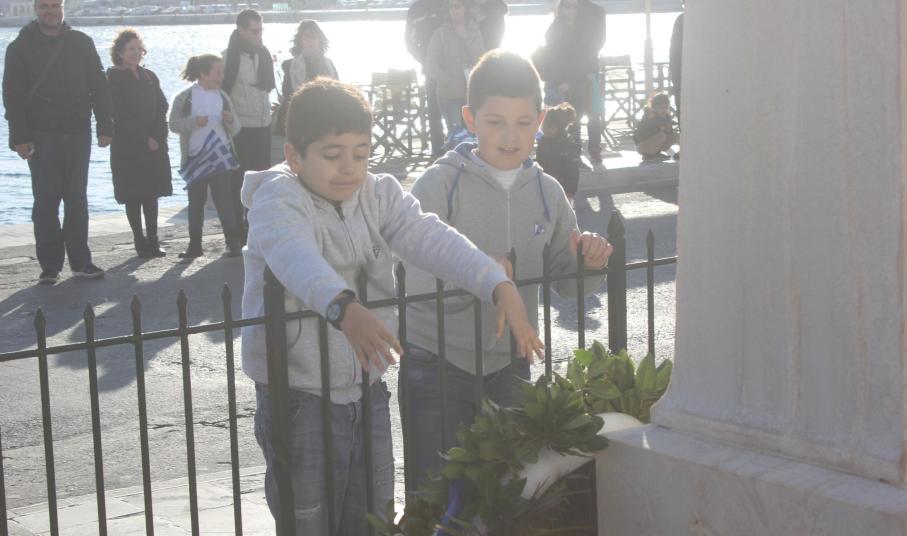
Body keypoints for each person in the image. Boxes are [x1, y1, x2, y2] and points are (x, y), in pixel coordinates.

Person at [240, 78, 543, 534]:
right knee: (309, 520)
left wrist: (496, 283)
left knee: (374, 516)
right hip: (299, 395)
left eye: (361, 153)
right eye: (332, 154)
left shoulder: (378, 193)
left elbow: (430, 236)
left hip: (367, 387)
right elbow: (293, 255)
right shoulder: (276, 197)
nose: (349, 168)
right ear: (294, 156)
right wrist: (344, 308)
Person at [400, 50, 614, 495]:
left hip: (510, 365)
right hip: (437, 363)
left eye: (523, 122)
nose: (511, 136)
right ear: (470, 118)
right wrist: (484, 276)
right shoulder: (438, 185)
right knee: (434, 495)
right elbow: (410, 278)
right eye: (495, 122)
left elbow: (565, 282)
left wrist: (588, 264)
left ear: (541, 120)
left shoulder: (549, 192)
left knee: (507, 496)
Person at [2, 0, 111, 284]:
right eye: (44, 6)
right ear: (36, 9)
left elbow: (99, 85)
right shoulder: (20, 47)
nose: (50, 11)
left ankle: (81, 262)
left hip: (78, 130)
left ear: (63, 7)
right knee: (46, 200)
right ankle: (50, 266)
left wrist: (105, 125)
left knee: (77, 199)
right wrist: (19, 137)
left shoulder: (81, 42)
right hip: (41, 133)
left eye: (54, 5)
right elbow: (12, 95)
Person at [169, 54, 242, 259]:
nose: (221, 76)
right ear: (203, 73)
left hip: (220, 157)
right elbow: (173, 124)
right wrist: (193, 122)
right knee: (195, 204)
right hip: (195, 158)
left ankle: (232, 244)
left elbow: (236, 129)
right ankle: (195, 246)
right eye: (217, 72)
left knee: (224, 201)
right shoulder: (185, 97)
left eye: (222, 72)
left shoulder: (223, 96)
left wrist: (230, 120)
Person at [107, 29, 172, 258]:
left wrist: (157, 135)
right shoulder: (113, 78)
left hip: (153, 143)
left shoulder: (149, 76)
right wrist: (144, 138)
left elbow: (162, 107)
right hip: (128, 146)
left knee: (151, 193)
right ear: (120, 52)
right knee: (132, 194)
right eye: (130, 49)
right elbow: (119, 114)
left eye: (138, 49)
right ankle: (139, 240)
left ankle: (153, 240)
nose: (135, 53)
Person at [222, 9, 275, 244]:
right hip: (240, 127)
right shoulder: (228, 57)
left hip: (263, 124)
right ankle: (237, 230)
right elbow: (222, 92)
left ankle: (256, 226)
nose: (258, 35)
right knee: (239, 180)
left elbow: (266, 89)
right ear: (241, 30)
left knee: (261, 178)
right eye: (254, 31)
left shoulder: (263, 54)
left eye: (260, 30)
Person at [533, 0, 605, 164]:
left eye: (574, 7)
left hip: (586, 78)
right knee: (574, 119)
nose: (571, 10)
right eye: (567, 6)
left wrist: (592, 71)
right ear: (561, 8)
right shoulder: (555, 30)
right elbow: (554, 59)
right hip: (568, 81)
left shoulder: (583, 27)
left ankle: (595, 150)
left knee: (594, 115)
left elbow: (591, 52)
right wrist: (561, 81)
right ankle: (575, 154)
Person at [424, 0, 485, 136]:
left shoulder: (475, 32)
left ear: (465, 8)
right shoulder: (440, 34)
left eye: (457, 6)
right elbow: (430, 64)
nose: (454, 10)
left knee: (474, 134)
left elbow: (482, 59)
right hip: (449, 95)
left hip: (471, 94)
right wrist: (446, 81)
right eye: (451, 7)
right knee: (455, 135)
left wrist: (467, 39)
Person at [274, 19, 338, 140]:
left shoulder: (328, 64)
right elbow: (288, 94)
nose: (310, 40)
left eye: (314, 36)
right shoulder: (289, 65)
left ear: (320, 39)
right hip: (298, 120)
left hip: (323, 121)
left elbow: (337, 92)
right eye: (307, 36)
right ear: (300, 40)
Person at [405, 0, 447, 157]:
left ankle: (459, 146)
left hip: (455, 68)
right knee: (434, 111)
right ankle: (438, 150)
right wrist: (425, 60)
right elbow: (409, 42)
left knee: (459, 109)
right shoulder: (416, 8)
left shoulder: (450, 4)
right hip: (430, 69)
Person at [536, 102, 580, 202]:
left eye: (547, 126)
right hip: (545, 187)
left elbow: (573, 171)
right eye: (543, 125)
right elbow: (539, 163)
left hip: (562, 190)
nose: (543, 128)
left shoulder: (567, 145)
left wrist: (569, 192)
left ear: (557, 127)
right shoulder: (543, 142)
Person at [633, 91, 677, 161]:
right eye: (660, 107)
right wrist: (659, 129)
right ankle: (648, 155)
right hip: (642, 145)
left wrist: (668, 129)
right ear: (654, 108)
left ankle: (656, 153)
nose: (664, 110)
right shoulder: (650, 117)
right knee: (662, 136)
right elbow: (642, 136)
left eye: (666, 107)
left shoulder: (666, 117)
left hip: (653, 142)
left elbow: (669, 133)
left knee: (674, 136)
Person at [669, 8, 683, 123]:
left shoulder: (681, 20)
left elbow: (673, 54)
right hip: (681, 77)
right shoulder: (682, 21)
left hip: (681, 78)